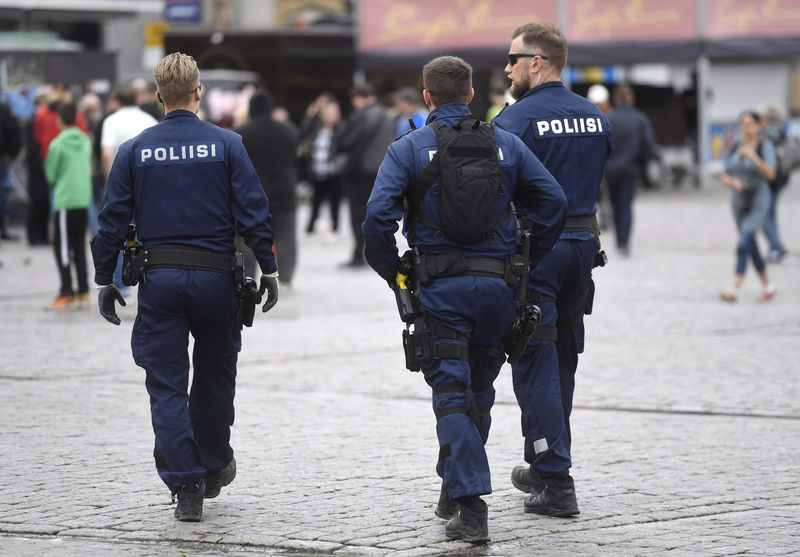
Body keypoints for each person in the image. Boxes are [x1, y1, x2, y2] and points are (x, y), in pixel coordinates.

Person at [363, 55, 567, 543]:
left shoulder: (409, 148)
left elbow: (376, 220)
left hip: (442, 293)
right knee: (478, 392)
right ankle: (453, 489)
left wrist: (394, 274)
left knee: (452, 397)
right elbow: (554, 201)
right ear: (472, 94)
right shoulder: (508, 144)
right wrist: (527, 258)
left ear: (427, 97)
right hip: (499, 292)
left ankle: (472, 508)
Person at [90, 52, 279, 522]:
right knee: (215, 378)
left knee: (167, 385)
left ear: (157, 97)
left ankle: (186, 484)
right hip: (218, 279)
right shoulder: (228, 144)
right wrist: (270, 270)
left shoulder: (136, 149)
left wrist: (103, 278)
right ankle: (214, 464)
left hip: (162, 281)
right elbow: (254, 211)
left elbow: (111, 220)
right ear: (199, 94)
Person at [492, 22, 613, 517]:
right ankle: (545, 465)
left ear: (536, 62)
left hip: (537, 250)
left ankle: (556, 478)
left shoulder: (516, 120)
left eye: (513, 59)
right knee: (563, 356)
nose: (507, 68)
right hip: (583, 248)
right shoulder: (596, 117)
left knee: (534, 356)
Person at [235, 90, 299, 286]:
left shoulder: (241, 133)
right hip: (284, 192)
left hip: (251, 195)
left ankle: (248, 277)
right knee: (285, 237)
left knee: (247, 238)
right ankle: (286, 277)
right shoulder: (287, 130)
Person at [100, 84, 159, 294]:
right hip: (149, 186)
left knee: (119, 233)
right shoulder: (149, 121)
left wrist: (110, 183)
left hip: (123, 184)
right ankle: (146, 276)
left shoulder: (111, 121)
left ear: (117, 101)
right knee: (146, 232)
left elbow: (107, 154)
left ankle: (122, 281)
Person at [719, 111, 777, 303]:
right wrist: (733, 182)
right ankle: (768, 285)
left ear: (759, 125)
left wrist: (754, 158)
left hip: (759, 197)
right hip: (739, 199)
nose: (747, 127)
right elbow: (724, 174)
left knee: (744, 241)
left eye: (750, 123)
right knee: (750, 243)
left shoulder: (764, 146)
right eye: (743, 124)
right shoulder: (735, 145)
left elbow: (771, 174)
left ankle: (735, 285)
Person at [336, 83, 396, 267]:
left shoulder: (361, 115)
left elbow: (345, 141)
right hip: (381, 172)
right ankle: (376, 253)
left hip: (360, 172)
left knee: (357, 214)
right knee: (375, 213)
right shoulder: (387, 114)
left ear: (358, 98)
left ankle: (358, 253)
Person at [43, 102, 92, 309]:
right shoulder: (85, 141)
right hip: (83, 199)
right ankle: (83, 290)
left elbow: (51, 175)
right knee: (80, 246)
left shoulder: (57, 144)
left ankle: (66, 291)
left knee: (62, 248)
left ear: (60, 119)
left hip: (65, 202)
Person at [602, 84, 654, 256]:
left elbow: (601, 144)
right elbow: (648, 145)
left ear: (616, 99)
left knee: (615, 206)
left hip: (610, 169)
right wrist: (643, 165)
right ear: (632, 98)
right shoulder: (640, 119)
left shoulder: (609, 118)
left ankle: (619, 241)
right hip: (631, 168)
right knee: (625, 206)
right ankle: (623, 243)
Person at [304, 96, 344, 236]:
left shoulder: (341, 129)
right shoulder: (317, 128)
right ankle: (310, 227)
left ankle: (335, 227)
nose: (329, 116)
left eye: (332, 112)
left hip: (333, 172)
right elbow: (304, 131)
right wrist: (311, 112)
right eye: (326, 112)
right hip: (317, 171)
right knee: (316, 201)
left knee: (335, 202)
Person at [758, 104, 788, 263]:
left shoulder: (770, 133)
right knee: (770, 214)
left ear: (767, 119)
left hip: (774, 178)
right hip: (781, 177)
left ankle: (777, 247)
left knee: (764, 215)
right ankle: (774, 248)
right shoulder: (780, 130)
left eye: (761, 118)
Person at [0, 99, 22, 240]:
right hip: (3, 159)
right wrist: (11, 153)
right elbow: (15, 132)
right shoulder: (5, 109)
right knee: (3, 193)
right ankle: (4, 229)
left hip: (3, 159)